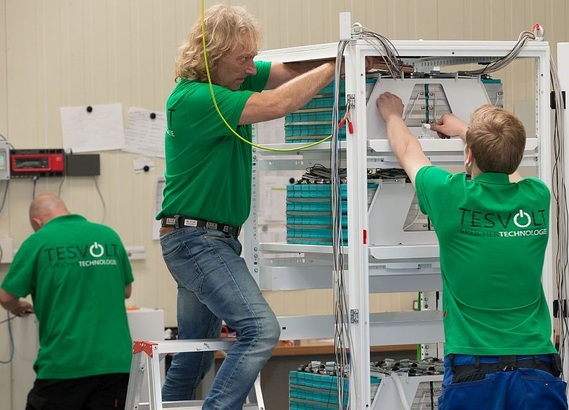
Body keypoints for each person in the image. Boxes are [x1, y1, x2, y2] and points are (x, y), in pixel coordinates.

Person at [156, 4, 352, 409]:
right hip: (198, 241)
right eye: (242, 59)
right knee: (261, 330)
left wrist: (348, 54)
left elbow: (286, 72)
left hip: (209, 240)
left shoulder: (229, 81)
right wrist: (338, 65)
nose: (251, 68)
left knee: (194, 357)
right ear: (211, 58)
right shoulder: (198, 97)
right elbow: (278, 103)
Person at [377, 92, 568, 409]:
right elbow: (509, 169)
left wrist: (393, 115)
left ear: (468, 156)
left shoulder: (449, 194)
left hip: (473, 368)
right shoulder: (537, 197)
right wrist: (470, 133)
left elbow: (408, 150)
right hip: (537, 366)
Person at [0, 193, 134, 409]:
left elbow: (6, 297)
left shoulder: (38, 241)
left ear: (37, 222)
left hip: (65, 362)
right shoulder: (108, 236)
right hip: (116, 364)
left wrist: (17, 306)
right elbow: (126, 290)